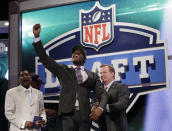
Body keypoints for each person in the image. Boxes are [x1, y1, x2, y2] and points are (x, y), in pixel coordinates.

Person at [32, 24, 107, 131]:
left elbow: (102, 93)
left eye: (79, 53)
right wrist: (37, 37)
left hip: (85, 114)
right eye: (73, 54)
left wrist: (100, 108)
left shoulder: (92, 75)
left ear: (84, 59)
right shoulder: (63, 70)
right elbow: (45, 59)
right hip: (68, 114)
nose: (75, 54)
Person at [98, 64, 130, 131]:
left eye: (104, 72)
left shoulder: (121, 87)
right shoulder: (99, 90)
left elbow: (123, 103)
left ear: (112, 74)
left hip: (117, 127)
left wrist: (105, 107)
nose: (102, 75)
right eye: (100, 73)